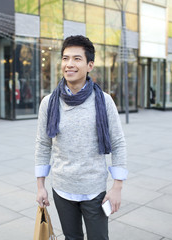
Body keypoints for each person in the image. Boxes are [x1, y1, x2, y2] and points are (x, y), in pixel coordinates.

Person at [35, 35, 128, 240]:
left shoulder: (104, 101)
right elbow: (43, 144)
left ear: (90, 65)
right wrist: (41, 186)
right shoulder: (48, 103)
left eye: (77, 59)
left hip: (94, 190)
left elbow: (118, 144)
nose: (69, 64)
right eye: (66, 58)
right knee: (72, 238)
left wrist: (117, 187)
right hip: (61, 188)